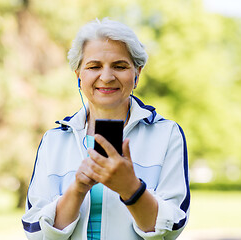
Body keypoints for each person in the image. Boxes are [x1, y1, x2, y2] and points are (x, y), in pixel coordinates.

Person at [22, 18, 190, 240]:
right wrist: (78, 189)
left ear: (137, 73)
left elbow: (171, 230)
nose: (107, 77)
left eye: (120, 66)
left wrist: (130, 188)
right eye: (94, 66)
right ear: (78, 75)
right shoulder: (54, 140)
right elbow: (36, 233)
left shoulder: (166, 134)